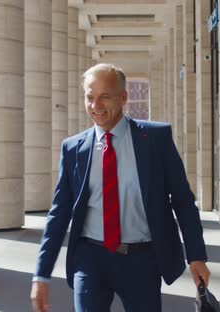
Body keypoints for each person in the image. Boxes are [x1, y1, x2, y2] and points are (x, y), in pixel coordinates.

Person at [30, 63, 210, 312]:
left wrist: (196, 255)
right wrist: (42, 275)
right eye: (89, 97)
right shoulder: (73, 149)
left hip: (141, 260)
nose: (95, 106)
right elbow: (59, 213)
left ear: (123, 97)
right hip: (90, 258)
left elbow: (182, 200)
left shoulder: (156, 139)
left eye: (104, 96)